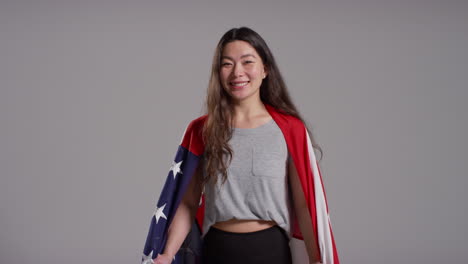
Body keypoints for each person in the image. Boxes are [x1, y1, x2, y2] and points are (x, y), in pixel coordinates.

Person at [143, 26, 339, 264]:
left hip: (270, 251)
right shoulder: (202, 130)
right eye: (227, 64)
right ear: (218, 72)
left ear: (265, 69)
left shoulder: (290, 130)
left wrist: (316, 258)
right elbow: (188, 202)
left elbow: (303, 204)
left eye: (247, 62)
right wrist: (167, 254)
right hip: (217, 250)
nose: (237, 72)